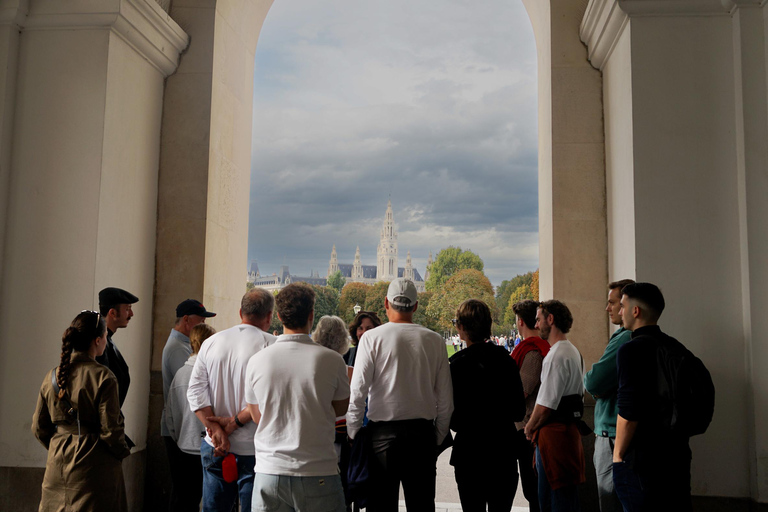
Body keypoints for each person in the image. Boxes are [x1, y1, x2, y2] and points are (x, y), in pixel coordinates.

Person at [347, 278, 453, 512]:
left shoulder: (371, 339)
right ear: (415, 306)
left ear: (386, 303)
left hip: (382, 436)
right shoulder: (434, 340)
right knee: (422, 505)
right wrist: (436, 437)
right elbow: (445, 401)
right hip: (422, 433)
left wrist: (353, 432)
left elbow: (358, 392)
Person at [245, 284, 350, 512]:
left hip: (270, 470)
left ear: (279, 316)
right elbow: (341, 408)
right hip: (318, 469)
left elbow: (256, 415)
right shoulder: (332, 360)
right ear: (312, 315)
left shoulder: (257, 361)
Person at [187, 288, 277, 512]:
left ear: (240, 312)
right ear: (269, 316)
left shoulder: (212, 342)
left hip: (215, 445)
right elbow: (267, 398)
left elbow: (195, 391)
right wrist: (234, 423)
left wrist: (214, 428)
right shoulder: (271, 346)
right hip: (255, 449)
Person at [32, 310, 131, 511]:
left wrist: (60, 444)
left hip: (56, 465)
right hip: (93, 468)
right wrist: (122, 452)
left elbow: (38, 427)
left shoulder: (51, 376)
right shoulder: (104, 377)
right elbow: (111, 431)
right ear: (97, 340)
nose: (105, 341)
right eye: (104, 337)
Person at [613, 283, 693, 512]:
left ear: (635, 311)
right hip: (676, 454)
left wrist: (618, 456)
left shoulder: (630, 350)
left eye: (623, 306)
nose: (620, 312)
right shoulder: (676, 347)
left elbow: (628, 412)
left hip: (642, 460)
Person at [449, 299, 525, 512]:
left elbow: (452, 418)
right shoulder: (506, 361)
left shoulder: (457, 365)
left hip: (470, 453)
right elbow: (519, 410)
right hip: (503, 451)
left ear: (462, 328)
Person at [524, 300, 585, 512]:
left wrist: (529, 427)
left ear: (551, 319)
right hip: (568, 434)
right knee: (566, 496)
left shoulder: (555, 355)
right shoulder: (572, 351)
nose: (537, 324)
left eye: (539, 319)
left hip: (554, 438)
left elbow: (545, 405)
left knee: (552, 500)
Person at [584, 279, 634, 512]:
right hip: (622, 433)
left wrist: (589, 379)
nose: (608, 308)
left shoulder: (624, 338)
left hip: (612, 434)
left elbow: (594, 381)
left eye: (612, 303)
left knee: (610, 500)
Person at [162, 299, 216, 511]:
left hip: (185, 434)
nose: (203, 323)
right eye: (200, 320)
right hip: (187, 434)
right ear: (186, 320)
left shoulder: (183, 347)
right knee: (186, 496)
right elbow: (187, 398)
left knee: (186, 494)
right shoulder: (179, 350)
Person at [510, 299, 551, 512]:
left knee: (532, 488)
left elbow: (520, 393)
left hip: (527, 427)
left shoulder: (532, 353)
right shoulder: (536, 348)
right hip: (528, 426)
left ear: (520, 322)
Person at [96, 287, 139, 446]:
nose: (132, 314)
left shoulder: (107, 341)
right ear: (112, 313)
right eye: (127, 309)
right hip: (102, 435)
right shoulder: (99, 346)